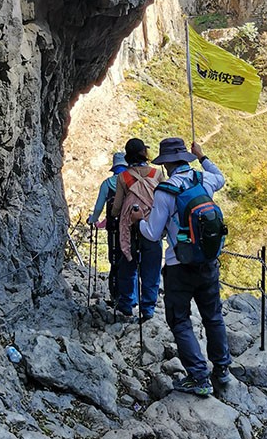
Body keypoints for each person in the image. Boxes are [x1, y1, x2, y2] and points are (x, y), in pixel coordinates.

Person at [131, 137, 231, 397]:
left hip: (179, 265)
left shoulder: (165, 191)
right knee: (213, 316)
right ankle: (222, 369)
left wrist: (139, 220)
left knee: (180, 320)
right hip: (208, 263)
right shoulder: (204, 180)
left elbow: (153, 233)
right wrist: (203, 156)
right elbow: (219, 176)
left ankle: (199, 376)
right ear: (185, 158)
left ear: (166, 164)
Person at [111, 138, 163, 320]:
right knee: (152, 269)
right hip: (152, 227)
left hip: (130, 228)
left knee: (128, 266)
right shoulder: (157, 174)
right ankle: (148, 308)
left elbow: (117, 207)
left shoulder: (123, 177)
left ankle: (126, 303)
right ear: (144, 153)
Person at [87, 151, 127, 303]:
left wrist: (93, 220)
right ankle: (130, 297)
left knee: (115, 260)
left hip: (114, 228)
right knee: (130, 261)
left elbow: (98, 208)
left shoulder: (107, 184)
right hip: (131, 228)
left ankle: (115, 295)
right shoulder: (132, 182)